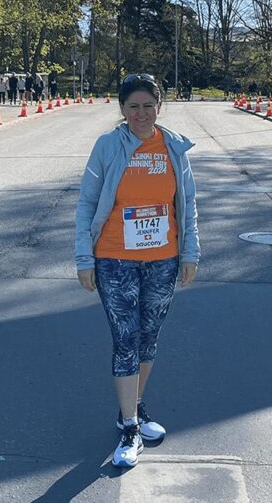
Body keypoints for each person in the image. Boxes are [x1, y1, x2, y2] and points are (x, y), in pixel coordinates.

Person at [74, 73, 200, 469]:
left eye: (148, 106)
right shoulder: (109, 146)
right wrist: (84, 258)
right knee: (125, 339)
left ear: (158, 108)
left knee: (149, 337)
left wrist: (190, 253)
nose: (141, 113)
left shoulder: (174, 148)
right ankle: (129, 425)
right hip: (114, 258)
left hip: (163, 258)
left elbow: (188, 205)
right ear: (122, 109)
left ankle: (133, 407)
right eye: (133, 107)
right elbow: (86, 204)